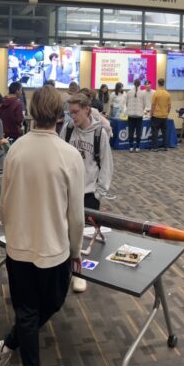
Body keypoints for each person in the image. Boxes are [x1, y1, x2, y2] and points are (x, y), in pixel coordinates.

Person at [0, 86, 84, 366]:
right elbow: (77, 216)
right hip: (54, 249)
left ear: (31, 112)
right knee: (49, 304)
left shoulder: (17, 149)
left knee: (29, 310)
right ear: (60, 114)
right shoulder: (70, 155)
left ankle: (5, 348)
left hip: (19, 246)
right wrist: (76, 251)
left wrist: (10, 230)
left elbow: (5, 199)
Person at [61, 93, 113, 294]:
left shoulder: (99, 134)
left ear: (87, 110)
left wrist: (100, 193)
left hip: (89, 192)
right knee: (65, 232)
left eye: (75, 112)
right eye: (69, 112)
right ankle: (65, 271)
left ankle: (79, 275)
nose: (72, 116)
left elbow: (106, 166)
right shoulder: (67, 130)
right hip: (67, 191)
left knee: (82, 236)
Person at [124, 79, 148, 152]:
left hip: (131, 115)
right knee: (138, 132)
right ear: (140, 84)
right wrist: (140, 110)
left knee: (130, 131)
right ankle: (137, 147)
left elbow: (127, 103)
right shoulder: (143, 93)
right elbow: (144, 105)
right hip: (139, 116)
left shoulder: (129, 92)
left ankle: (131, 147)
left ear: (133, 84)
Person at [150, 78, 172, 152]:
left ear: (158, 83)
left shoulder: (155, 93)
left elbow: (153, 105)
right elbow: (169, 106)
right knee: (165, 132)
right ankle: (166, 147)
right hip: (164, 116)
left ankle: (155, 148)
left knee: (155, 132)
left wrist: (151, 113)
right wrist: (167, 113)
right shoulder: (168, 94)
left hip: (156, 116)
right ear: (164, 83)